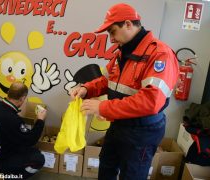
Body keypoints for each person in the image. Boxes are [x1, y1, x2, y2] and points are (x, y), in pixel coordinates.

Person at [70, 3, 179, 180]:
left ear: (128, 24)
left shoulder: (160, 54)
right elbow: (106, 80)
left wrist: (102, 108)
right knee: (106, 166)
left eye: (112, 31)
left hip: (142, 132)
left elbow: (151, 102)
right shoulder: (123, 52)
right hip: (119, 125)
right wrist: (86, 88)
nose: (111, 39)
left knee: (132, 175)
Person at [0, 81, 47, 179]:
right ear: (22, 98)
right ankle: (11, 177)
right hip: (1, 162)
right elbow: (31, 140)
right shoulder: (14, 120)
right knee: (38, 158)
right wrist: (40, 120)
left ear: (9, 93)